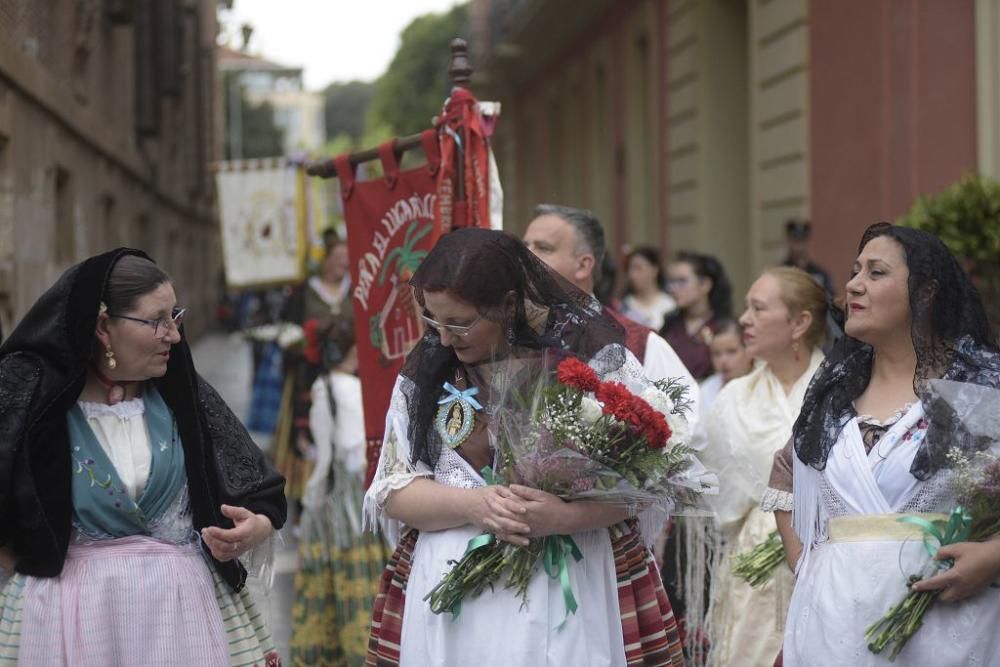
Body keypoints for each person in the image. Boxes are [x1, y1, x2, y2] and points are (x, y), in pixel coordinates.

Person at [363, 228, 688, 666]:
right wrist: (473, 506)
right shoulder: (426, 378)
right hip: (452, 606)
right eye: (433, 321)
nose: (444, 339)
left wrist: (566, 516)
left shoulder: (592, 365)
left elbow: (648, 482)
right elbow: (394, 490)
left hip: (574, 584)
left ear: (510, 305)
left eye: (459, 322)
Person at [0, 249, 286, 666]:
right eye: (156, 320)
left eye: (176, 316)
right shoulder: (32, 402)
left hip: (180, 619)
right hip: (69, 622)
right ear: (103, 326)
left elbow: (261, 494)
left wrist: (252, 529)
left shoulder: (183, 398)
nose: (173, 334)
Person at [774, 223, 1000, 666]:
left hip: (947, 623)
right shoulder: (834, 394)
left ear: (926, 293)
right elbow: (785, 478)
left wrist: (993, 557)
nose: (854, 285)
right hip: (832, 622)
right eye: (854, 271)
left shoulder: (972, 390)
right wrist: (807, 564)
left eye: (876, 273)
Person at [693, 267, 828, 666]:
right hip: (753, 568)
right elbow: (720, 490)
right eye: (746, 307)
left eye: (758, 308)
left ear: (800, 322)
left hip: (823, 556)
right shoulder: (733, 398)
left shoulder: (839, 391)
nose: (744, 319)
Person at [523, 204, 699, 420]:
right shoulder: (505, 337)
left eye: (543, 248)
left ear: (583, 266)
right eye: (525, 246)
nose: (525, 256)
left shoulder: (640, 343)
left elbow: (686, 426)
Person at [290, 315, 390, 665]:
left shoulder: (323, 386)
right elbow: (354, 449)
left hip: (329, 499)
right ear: (353, 351)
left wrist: (311, 501)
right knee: (366, 582)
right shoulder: (351, 389)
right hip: (351, 500)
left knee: (327, 580)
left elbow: (327, 456)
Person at [274, 240, 353, 506]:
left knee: (345, 434)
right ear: (325, 259)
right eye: (338, 256)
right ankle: (305, 499)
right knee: (307, 435)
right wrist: (306, 344)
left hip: (349, 377)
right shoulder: (304, 292)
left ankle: (344, 495)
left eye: (347, 256)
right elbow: (288, 331)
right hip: (307, 377)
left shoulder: (353, 290)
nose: (344, 261)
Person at [660, 252, 733, 380]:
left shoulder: (724, 325)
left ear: (705, 284)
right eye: (671, 282)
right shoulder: (669, 325)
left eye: (682, 281)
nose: (673, 288)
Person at [698, 318, 754, 416]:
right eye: (716, 354)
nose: (723, 360)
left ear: (748, 350)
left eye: (731, 352)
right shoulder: (706, 390)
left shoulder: (763, 386)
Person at [622, 246, 676, 331]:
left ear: (654, 270)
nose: (632, 275)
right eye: (629, 269)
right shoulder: (624, 306)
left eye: (638, 268)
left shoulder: (670, 305)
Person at [782, 218, 834, 296]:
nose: (799, 247)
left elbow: (830, 298)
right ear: (788, 242)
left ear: (808, 243)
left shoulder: (819, 274)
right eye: (795, 241)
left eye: (802, 241)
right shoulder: (781, 272)